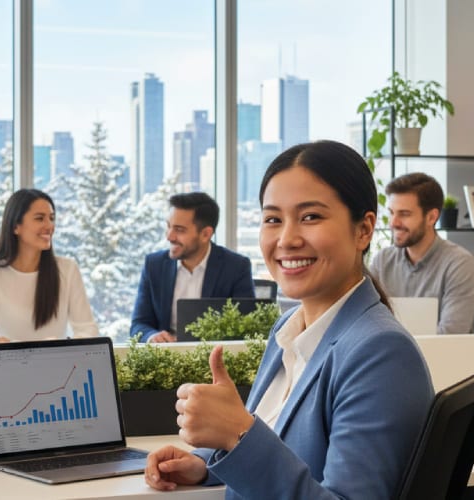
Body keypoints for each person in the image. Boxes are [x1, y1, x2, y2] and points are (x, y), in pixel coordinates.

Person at [144, 141, 434, 499]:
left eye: (310, 216)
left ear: (363, 230)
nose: (286, 239)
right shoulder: (289, 327)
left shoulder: (380, 352)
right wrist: (205, 462)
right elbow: (274, 434)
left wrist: (236, 433)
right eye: (272, 219)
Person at [0, 188, 98, 341]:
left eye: (51, 218)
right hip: (9, 363)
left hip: (57, 362)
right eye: (40, 218)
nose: (49, 226)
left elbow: (87, 329)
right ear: (15, 226)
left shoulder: (67, 269)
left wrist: (65, 346)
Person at [130, 192, 255, 343]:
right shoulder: (154, 265)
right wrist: (152, 336)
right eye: (168, 226)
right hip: (165, 356)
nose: (169, 236)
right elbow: (139, 324)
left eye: (179, 230)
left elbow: (246, 328)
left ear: (205, 234)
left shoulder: (236, 267)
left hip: (211, 356)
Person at [369, 172, 474, 334]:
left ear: (431, 217)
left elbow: (450, 334)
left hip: (441, 357)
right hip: (389, 354)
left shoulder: (459, 263)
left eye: (404, 214)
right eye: (391, 212)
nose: (393, 223)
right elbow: (367, 320)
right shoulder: (383, 260)